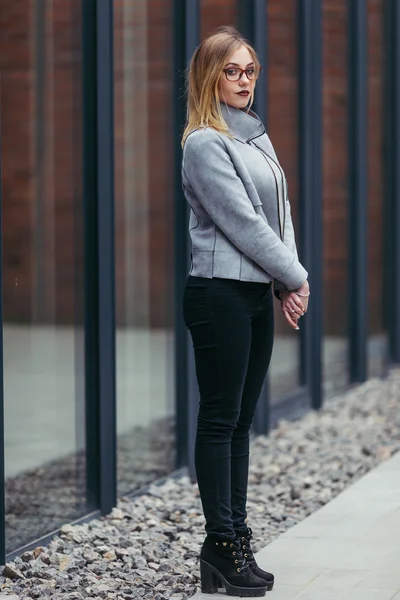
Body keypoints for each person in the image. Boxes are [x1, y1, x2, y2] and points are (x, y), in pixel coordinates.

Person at [181, 25, 310, 597]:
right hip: (218, 295)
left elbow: (279, 216)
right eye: (231, 71)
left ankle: (230, 540)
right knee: (219, 417)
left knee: (240, 422)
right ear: (209, 77)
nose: (242, 81)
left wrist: (287, 280)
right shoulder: (204, 142)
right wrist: (296, 274)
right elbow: (243, 223)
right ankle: (223, 542)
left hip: (256, 292)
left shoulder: (254, 134)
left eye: (250, 70)